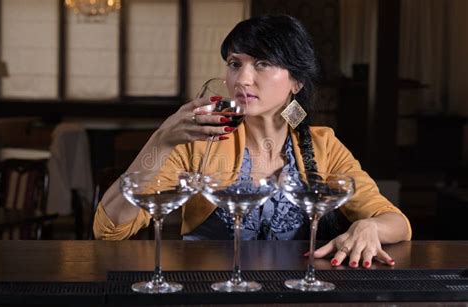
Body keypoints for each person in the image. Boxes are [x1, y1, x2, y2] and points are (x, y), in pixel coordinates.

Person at [94, 14, 411, 269]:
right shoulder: (199, 142)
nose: (242, 79)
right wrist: (161, 141)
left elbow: (396, 223)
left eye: (262, 63)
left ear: (296, 82)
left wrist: (369, 228)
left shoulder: (322, 144)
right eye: (235, 64)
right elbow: (109, 230)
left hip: (295, 294)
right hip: (208, 291)